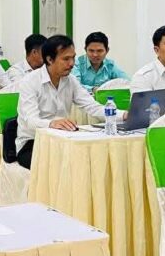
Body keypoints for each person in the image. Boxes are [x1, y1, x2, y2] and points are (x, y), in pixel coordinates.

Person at [15, 35, 106, 169]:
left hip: (62, 140)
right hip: (33, 143)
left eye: (73, 58)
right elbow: (31, 121)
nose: (72, 63)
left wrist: (123, 115)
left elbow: (92, 106)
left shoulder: (71, 80)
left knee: (93, 158)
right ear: (49, 59)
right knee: (62, 165)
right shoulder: (30, 81)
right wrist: (52, 123)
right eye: (66, 59)